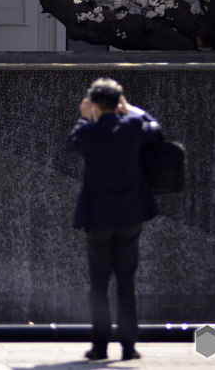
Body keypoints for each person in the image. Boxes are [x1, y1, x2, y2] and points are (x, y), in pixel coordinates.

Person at [67, 78, 160, 362]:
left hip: (97, 219)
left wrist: (84, 118)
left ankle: (98, 347)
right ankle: (129, 347)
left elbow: (72, 144)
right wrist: (130, 108)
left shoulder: (88, 132)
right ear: (118, 103)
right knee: (126, 283)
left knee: (98, 284)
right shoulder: (132, 127)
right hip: (130, 215)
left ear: (94, 104)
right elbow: (154, 127)